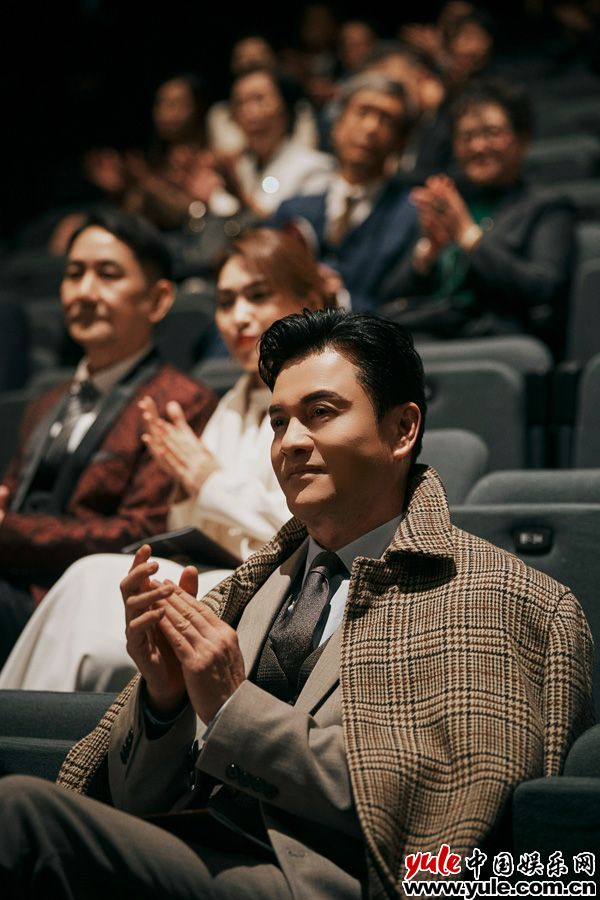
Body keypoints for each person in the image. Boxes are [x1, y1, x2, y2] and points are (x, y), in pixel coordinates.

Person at [0, 308, 593, 898]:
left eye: (321, 413)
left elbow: (446, 820)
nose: (290, 443)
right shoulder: (247, 586)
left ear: (401, 430)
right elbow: (133, 803)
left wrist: (233, 708)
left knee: (19, 811)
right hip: (184, 852)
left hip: (325, 883)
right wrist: (164, 700)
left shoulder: (496, 595)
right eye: (279, 422)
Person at [0, 226, 333, 692]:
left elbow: (314, 523)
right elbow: (183, 518)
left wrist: (210, 483)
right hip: (209, 570)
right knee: (92, 580)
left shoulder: (324, 397)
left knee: (90, 578)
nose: (238, 317)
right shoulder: (232, 402)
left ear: (308, 301)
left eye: (257, 296)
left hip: (278, 584)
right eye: (225, 302)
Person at [0, 208, 217, 666]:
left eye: (108, 274)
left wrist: (10, 531)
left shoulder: (179, 399)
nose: (84, 291)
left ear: (158, 299)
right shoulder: (45, 400)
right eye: (74, 273)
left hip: (79, 607)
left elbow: (143, 532)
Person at [380, 77, 577, 353]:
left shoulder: (546, 207)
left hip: (497, 341)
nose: (478, 146)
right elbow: (388, 296)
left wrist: (469, 237)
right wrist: (428, 252)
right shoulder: (451, 203)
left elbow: (544, 288)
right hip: (429, 333)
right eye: (466, 137)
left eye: (492, 133)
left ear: (523, 139)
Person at [268, 72, 418, 313]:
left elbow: (400, 307)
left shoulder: (410, 215)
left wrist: (339, 299)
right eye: (362, 112)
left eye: (386, 119)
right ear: (336, 125)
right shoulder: (292, 209)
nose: (371, 127)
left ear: (401, 143)